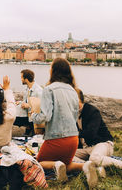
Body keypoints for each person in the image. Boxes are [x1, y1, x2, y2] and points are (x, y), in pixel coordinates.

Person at [30, 58, 97, 187]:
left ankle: (56, 165)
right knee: (67, 164)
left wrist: (33, 116)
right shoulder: (73, 91)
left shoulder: (49, 89)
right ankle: (85, 167)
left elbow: (45, 116)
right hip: (73, 139)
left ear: (53, 71)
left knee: (37, 163)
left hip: (56, 138)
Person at [74, 88, 122, 181]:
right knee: (66, 155)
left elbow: (91, 133)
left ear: (78, 99)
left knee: (94, 157)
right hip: (86, 148)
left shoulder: (92, 111)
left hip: (103, 143)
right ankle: (95, 168)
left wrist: (74, 134)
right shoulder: (72, 113)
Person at [13, 69, 43, 136]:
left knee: (13, 119)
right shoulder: (27, 89)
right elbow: (26, 101)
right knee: (12, 116)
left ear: (26, 79)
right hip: (27, 115)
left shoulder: (39, 91)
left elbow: (41, 107)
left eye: (21, 77)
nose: (21, 79)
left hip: (34, 119)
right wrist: (20, 103)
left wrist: (29, 106)